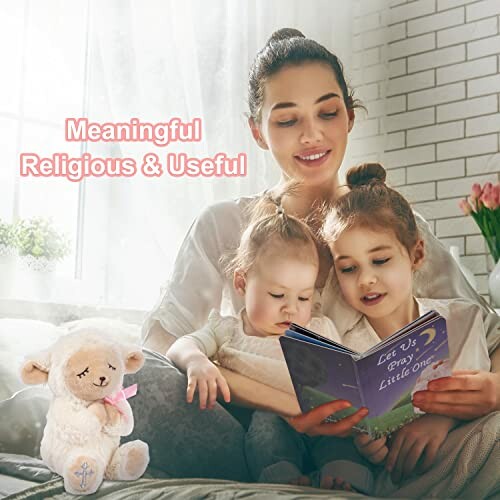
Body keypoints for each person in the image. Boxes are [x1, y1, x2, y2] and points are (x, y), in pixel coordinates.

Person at [129, 28, 500, 488]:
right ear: (257, 131)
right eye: (287, 120)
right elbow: (161, 341)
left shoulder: (397, 227)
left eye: (328, 112)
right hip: (250, 430)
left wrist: (491, 390)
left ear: (349, 116)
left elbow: (487, 331)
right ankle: (278, 475)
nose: (312, 134)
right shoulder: (222, 224)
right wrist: (288, 407)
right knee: (134, 381)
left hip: (371, 444)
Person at [166, 189, 373, 492]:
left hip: (324, 422)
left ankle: (343, 477)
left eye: (304, 297)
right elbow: (179, 346)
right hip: (272, 421)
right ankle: (283, 477)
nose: (291, 308)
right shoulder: (227, 329)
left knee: (341, 440)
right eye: (277, 295)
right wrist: (196, 360)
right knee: (266, 428)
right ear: (241, 283)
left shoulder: (319, 328)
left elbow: (351, 377)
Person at [317, 161, 491, 488]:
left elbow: (477, 402)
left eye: (380, 261)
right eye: (348, 268)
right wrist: (371, 448)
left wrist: (440, 419)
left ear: (416, 255)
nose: (367, 279)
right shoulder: (344, 345)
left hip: (459, 446)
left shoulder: (460, 319)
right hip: (396, 474)